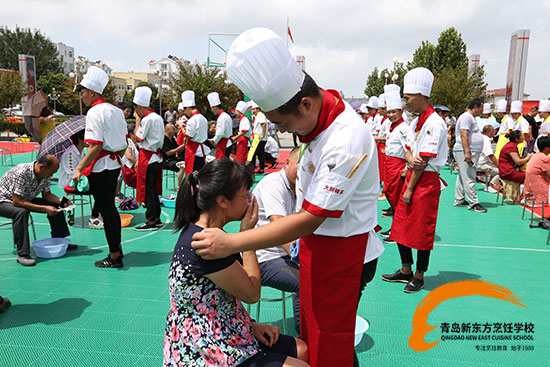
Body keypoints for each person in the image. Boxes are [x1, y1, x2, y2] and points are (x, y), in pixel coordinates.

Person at [191, 27, 384, 367]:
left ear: (305, 104)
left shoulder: (346, 139)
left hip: (343, 252)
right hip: (315, 249)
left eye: (281, 123)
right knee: (313, 333)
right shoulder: (318, 122)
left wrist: (234, 242)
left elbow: (311, 218)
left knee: (331, 339)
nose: (281, 132)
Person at [164, 159, 309, 367]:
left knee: (301, 350)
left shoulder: (207, 233)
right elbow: (251, 294)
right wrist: (247, 236)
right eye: (246, 193)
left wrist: (251, 324)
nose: (251, 199)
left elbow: (218, 296)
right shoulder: (204, 245)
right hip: (206, 346)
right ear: (223, 201)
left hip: (224, 327)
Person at [382, 67, 448, 293]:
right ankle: (405, 269)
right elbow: (410, 152)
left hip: (424, 182)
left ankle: (419, 275)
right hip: (413, 174)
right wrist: (410, 159)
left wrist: (409, 188)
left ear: (420, 96)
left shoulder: (434, 123)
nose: (405, 102)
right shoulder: (416, 122)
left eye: (407, 98)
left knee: (421, 230)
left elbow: (423, 163)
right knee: (400, 227)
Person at [73, 66, 127, 268]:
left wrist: (79, 167)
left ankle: (114, 256)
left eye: (83, 92)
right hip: (113, 165)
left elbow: (95, 146)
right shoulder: (117, 111)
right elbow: (123, 142)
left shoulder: (95, 112)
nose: (82, 96)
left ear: (93, 92)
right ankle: (118, 248)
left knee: (106, 210)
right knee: (111, 209)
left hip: (101, 167)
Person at [253, 147, 300, 335]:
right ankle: (305, 338)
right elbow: (280, 228)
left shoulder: (301, 186)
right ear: (287, 163)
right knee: (305, 283)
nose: (304, 171)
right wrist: (301, 258)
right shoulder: (274, 184)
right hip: (263, 258)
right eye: (300, 165)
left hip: (284, 253)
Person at [0, 155, 77, 267]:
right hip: (5, 201)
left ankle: (59, 240)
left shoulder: (44, 175)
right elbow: (17, 202)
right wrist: (45, 209)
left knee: (56, 206)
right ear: (42, 167)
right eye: (51, 172)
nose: (52, 175)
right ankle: (23, 254)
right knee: (21, 212)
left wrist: (61, 202)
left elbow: (47, 195)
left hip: (25, 198)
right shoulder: (22, 172)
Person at [133, 86, 164, 231]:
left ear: (139, 106)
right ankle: (156, 218)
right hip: (155, 157)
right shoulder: (158, 118)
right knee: (153, 190)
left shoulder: (147, 119)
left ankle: (151, 220)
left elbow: (138, 137)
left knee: (148, 192)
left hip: (148, 157)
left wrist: (138, 121)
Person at [379, 87, 409, 233]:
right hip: (389, 165)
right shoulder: (393, 127)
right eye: (389, 112)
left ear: (401, 112)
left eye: (394, 112)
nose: (391, 115)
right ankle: (395, 228)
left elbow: (409, 149)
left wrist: (407, 167)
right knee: (389, 194)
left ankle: (398, 230)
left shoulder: (403, 128)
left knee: (397, 199)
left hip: (397, 166)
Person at [58, 129, 102, 227]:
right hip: (71, 183)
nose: (89, 141)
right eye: (87, 138)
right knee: (100, 189)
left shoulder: (82, 152)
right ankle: (94, 218)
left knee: (103, 185)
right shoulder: (69, 154)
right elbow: (72, 173)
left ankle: (98, 213)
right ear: (80, 140)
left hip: (81, 180)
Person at [453, 98, 487, 212]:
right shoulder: (466, 117)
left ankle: (459, 199)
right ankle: (473, 202)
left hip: (469, 150)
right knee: (469, 176)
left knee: (463, 176)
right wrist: (467, 151)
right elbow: (464, 135)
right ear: (475, 107)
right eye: (481, 108)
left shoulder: (470, 118)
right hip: (466, 151)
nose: (482, 111)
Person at [181, 90, 208, 175]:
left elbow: (188, 135)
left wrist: (181, 126)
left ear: (188, 108)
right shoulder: (203, 118)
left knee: (192, 176)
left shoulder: (192, 120)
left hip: (194, 151)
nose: (185, 113)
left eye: (184, 110)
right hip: (202, 150)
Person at [207, 92, 233, 159]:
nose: (212, 111)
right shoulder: (227, 116)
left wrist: (213, 140)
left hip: (223, 143)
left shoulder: (221, 117)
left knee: (221, 164)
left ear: (215, 107)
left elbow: (220, 133)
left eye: (212, 108)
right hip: (228, 142)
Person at [524, 136, 550, 203]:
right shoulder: (544, 159)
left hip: (529, 188)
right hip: (540, 191)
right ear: (546, 148)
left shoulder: (536, 155)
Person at [477, 125, 501, 192]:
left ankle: (489, 185)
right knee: (502, 172)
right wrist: (499, 166)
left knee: (494, 167)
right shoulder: (486, 140)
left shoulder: (481, 138)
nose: (495, 132)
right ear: (488, 132)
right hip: (482, 163)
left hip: (480, 161)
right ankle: (490, 186)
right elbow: (491, 156)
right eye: (493, 131)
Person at [161, 123, 185, 187]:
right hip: (166, 161)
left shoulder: (173, 139)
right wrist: (179, 148)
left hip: (174, 159)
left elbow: (179, 150)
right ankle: (179, 187)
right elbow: (168, 153)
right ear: (168, 130)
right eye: (173, 129)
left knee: (187, 162)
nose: (175, 131)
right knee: (182, 166)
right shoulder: (163, 139)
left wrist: (184, 145)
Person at [247, 101, 269, 173]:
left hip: (259, 138)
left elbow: (263, 124)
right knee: (260, 154)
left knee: (253, 153)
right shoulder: (259, 116)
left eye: (254, 109)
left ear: (258, 109)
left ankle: (252, 169)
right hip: (261, 137)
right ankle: (261, 168)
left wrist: (262, 134)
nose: (253, 111)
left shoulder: (260, 115)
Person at [121, 123, 139, 189]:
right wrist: (139, 164)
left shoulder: (137, 143)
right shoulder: (129, 141)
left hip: (136, 169)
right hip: (130, 171)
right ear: (131, 134)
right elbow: (129, 156)